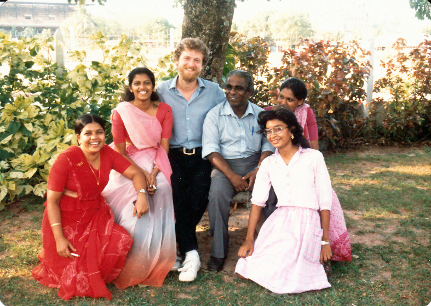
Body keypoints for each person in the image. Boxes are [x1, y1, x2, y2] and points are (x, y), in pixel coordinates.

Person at [32, 114, 148, 300]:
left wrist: (141, 195)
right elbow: (52, 202)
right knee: (76, 273)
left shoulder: (108, 154)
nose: (94, 138)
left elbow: (136, 174)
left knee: (123, 240)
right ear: (78, 137)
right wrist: (59, 237)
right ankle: (55, 250)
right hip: (66, 219)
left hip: (95, 216)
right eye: (88, 133)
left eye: (99, 132)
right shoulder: (66, 159)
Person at [235, 108, 333, 294]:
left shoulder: (313, 157)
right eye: (269, 131)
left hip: (307, 223)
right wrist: (249, 240)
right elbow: (257, 202)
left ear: (292, 130)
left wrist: (325, 241)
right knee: (245, 269)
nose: (273, 135)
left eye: (278, 129)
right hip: (280, 222)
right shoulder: (269, 163)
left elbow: (325, 202)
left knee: (290, 272)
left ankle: (314, 265)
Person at [157, 38, 226, 282]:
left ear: (202, 65)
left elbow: (227, 118)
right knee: (175, 194)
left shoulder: (214, 92)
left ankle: (179, 246)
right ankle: (192, 252)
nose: (191, 63)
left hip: (203, 154)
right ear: (176, 60)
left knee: (198, 197)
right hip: (172, 153)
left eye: (197, 60)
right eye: (186, 58)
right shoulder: (162, 91)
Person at [101, 67, 176, 289]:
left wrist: (153, 173)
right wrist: (142, 175)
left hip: (156, 159)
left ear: (153, 86)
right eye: (137, 83)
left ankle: (156, 256)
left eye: (146, 83)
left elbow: (164, 147)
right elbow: (120, 152)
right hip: (128, 162)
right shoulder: (122, 111)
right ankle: (125, 260)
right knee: (130, 197)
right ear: (130, 87)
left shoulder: (164, 109)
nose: (142, 88)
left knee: (162, 187)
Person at [267, 77, 352, 263]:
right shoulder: (270, 113)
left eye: (290, 100)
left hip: (303, 163)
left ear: (300, 102)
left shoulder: (306, 113)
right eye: (281, 97)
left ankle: (320, 246)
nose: (283, 102)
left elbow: (314, 147)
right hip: (280, 166)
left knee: (321, 197)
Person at [202, 69, 276, 272]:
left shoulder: (261, 114)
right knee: (217, 195)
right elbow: (211, 151)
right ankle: (218, 252)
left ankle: (272, 247)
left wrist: (258, 169)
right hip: (226, 167)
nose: (232, 92)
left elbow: (269, 145)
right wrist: (232, 176)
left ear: (250, 92)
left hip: (256, 164)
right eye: (229, 87)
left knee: (271, 196)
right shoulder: (214, 115)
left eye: (239, 88)